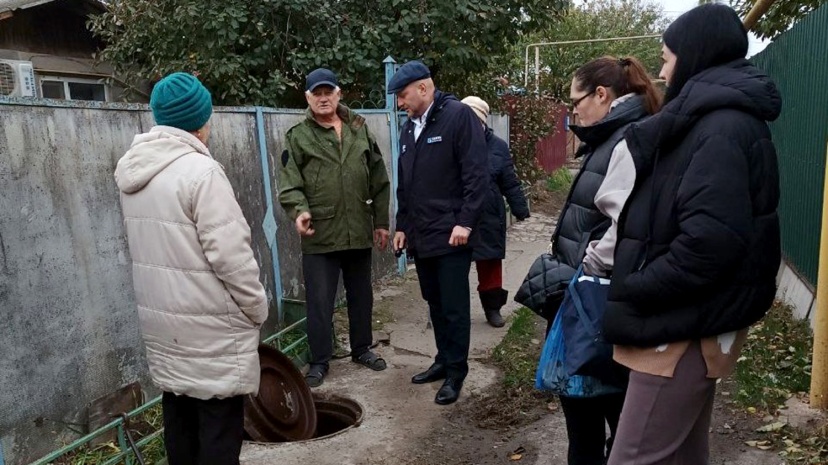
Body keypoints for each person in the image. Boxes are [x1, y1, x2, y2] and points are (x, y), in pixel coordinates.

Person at [603, 5, 781, 464]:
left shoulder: (720, 127)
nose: (661, 72)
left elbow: (710, 243)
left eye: (666, 58)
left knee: (633, 457)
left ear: (695, 56)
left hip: (679, 327)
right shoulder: (714, 119)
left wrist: (635, 284)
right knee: (682, 453)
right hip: (684, 319)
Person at [114, 72, 269, 465]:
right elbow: (231, 258)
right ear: (201, 120)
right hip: (210, 331)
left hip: (165, 327)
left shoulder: (135, 173)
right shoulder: (202, 173)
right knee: (218, 433)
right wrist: (257, 308)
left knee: (180, 423)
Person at [546, 56, 662, 465]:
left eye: (576, 100)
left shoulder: (627, 138)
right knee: (603, 418)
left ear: (601, 94)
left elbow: (628, 224)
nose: (573, 110)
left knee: (592, 424)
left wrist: (590, 265)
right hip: (598, 300)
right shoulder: (615, 134)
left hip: (597, 303)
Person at [279, 68, 391, 388]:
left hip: (357, 228)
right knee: (319, 301)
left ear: (339, 94)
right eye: (317, 93)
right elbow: (290, 184)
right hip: (320, 234)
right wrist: (299, 211)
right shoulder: (297, 136)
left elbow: (379, 179)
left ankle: (361, 349)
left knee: (361, 296)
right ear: (308, 98)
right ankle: (319, 360)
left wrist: (381, 222)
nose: (324, 97)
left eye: (329, 92)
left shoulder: (359, 130)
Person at [389, 61, 488, 405]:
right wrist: (402, 226)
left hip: (451, 235)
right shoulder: (408, 128)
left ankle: (457, 371)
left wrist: (466, 221)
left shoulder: (458, 116)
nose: (400, 103)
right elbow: (406, 184)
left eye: (402, 96)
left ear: (423, 88)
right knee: (434, 303)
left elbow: (477, 175)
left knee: (454, 307)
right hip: (422, 235)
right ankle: (443, 360)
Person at [460, 96, 530, 328]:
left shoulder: (498, 146)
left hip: (489, 216)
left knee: (490, 265)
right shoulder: (452, 144)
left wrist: (520, 209)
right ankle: (451, 312)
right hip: (457, 216)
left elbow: (509, 182)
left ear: (481, 120)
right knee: (453, 266)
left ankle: (492, 309)